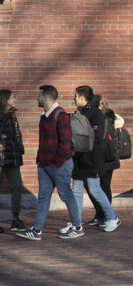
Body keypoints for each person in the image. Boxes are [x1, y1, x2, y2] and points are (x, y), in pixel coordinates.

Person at [16, 85, 83, 240]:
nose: (37, 98)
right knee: (44, 197)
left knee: (66, 194)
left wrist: (57, 163)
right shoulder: (44, 115)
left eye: (39, 96)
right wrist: (40, 160)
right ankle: (36, 230)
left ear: (46, 98)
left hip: (58, 165)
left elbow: (66, 143)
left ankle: (77, 226)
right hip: (45, 164)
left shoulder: (60, 115)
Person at [71, 85, 121, 232]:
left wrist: (78, 142)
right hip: (79, 158)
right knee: (77, 191)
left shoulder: (96, 114)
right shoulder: (79, 113)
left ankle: (112, 217)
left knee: (95, 190)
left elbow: (96, 137)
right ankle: (76, 223)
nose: (74, 99)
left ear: (81, 97)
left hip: (91, 159)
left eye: (75, 96)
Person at [86, 95, 121, 227]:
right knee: (94, 187)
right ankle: (100, 214)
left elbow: (102, 139)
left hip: (107, 158)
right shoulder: (95, 118)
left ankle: (105, 215)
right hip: (99, 157)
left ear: (101, 106)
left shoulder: (106, 119)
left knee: (104, 187)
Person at [0, 89, 27, 232]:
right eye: (13, 97)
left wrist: (20, 149)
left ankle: (16, 219)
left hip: (13, 157)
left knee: (17, 186)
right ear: (5, 99)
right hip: (1, 157)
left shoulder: (12, 116)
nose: (15, 100)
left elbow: (17, 135)